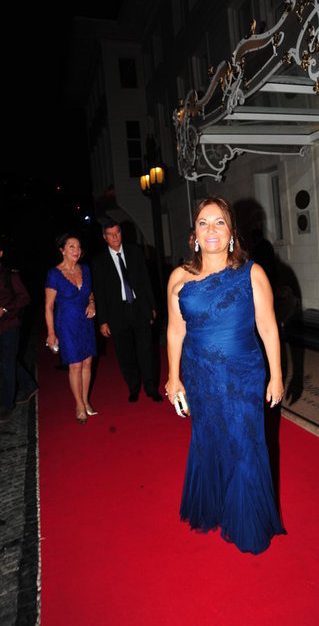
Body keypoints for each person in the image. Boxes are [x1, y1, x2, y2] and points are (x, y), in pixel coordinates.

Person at [165, 197, 285, 554]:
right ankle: (217, 507)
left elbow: (268, 328)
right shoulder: (179, 277)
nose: (212, 230)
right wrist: (173, 377)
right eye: (203, 223)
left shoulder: (252, 273)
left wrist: (276, 375)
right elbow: (175, 331)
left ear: (232, 232)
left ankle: (249, 525)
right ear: (194, 234)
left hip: (242, 376)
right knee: (210, 440)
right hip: (199, 375)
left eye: (220, 222)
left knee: (245, 444)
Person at [92, 220, 162, 403]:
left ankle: (151, 388)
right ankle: (133, 387)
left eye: (117, 232)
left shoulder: (134, 252)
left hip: (139, 307)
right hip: (117, 312)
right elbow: (100, 292)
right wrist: (103, 321)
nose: (115, 237)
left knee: (146, 349)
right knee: (125, 353)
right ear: (105, 237)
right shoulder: (99, 262)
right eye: (110, 234)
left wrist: (151, 307)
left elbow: (146, 280)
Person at [45, 234, 97, 424]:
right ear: (62, 250)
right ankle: (79, 405)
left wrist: (92, 303)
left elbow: (89, 292)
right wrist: (51, 333)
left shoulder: (85, 269)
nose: (76, 250)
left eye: (78, 247)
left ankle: (85, 400)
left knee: (87, 364)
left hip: (86, 322)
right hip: (66, 324)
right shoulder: (54, 274)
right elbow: (49, 306)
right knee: (75, 365)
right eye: (71, 247)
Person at [0, 238, 37, 422]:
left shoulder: (10, 276)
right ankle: (29, 385)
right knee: (8, 361)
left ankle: (7, 405)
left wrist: (5, 309)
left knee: (6, 363)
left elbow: (25, 298)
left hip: (9, 325)